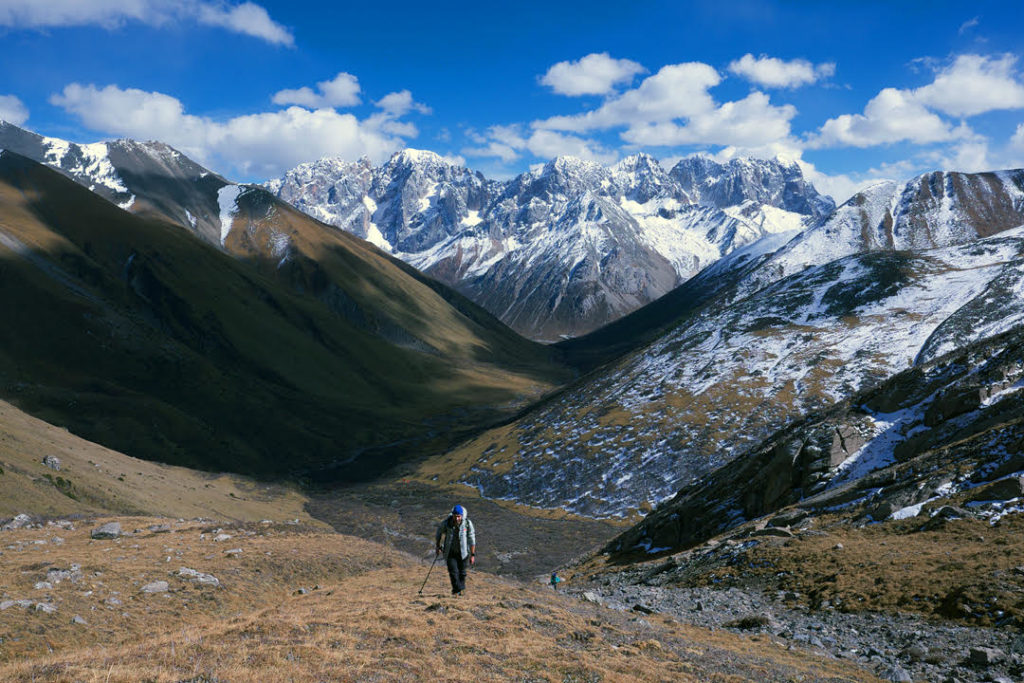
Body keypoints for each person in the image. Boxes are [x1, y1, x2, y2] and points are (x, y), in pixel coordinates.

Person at [435, 504, 476, 595]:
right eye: (455, 516)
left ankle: (459, 590)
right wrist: (438, 546)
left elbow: (471, 538)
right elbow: (439, 532)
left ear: (461, 516)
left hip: (463, 553)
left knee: (462, 573)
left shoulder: (467, 523)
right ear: (452, 515)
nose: (457, 518)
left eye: (458, 516)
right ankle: (458, 590)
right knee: (453, 572)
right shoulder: (446, 523)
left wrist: (472, 555)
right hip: (450, 552)